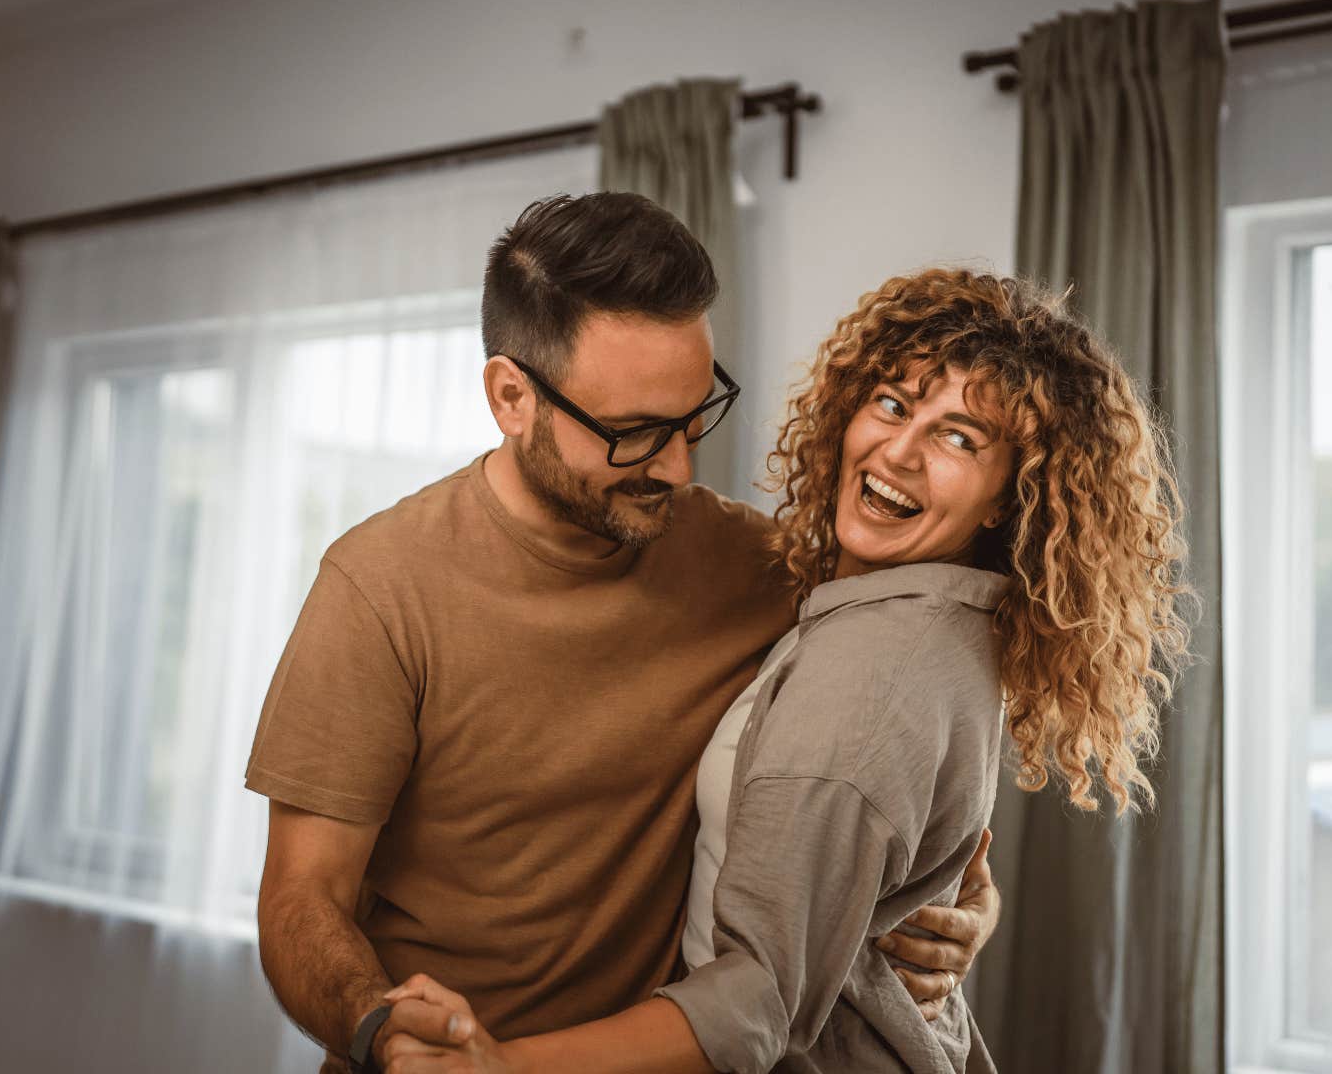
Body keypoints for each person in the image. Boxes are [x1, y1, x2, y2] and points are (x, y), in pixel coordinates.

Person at [245, 195, 1001, 1074]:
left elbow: (880, 762)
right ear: (511, 397)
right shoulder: (376, 590)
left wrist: (959, 903)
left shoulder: (761, 568)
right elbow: (303, 900)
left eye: (692, 417)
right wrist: (376, 1026)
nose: (679, 468)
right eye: (634, 434)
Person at [371, 269, 1193, 1073]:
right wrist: (956, 901)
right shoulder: (887, 610)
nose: (899, 451)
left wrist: (503, 1066)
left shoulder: (877, 670)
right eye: (894, 404)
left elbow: (757, 999)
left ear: (1012, 499)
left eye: (957, 438)